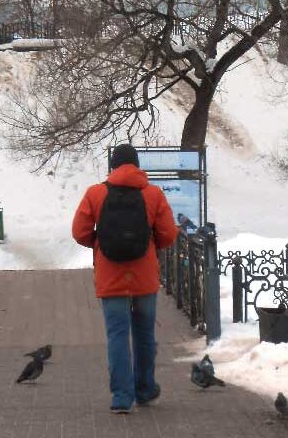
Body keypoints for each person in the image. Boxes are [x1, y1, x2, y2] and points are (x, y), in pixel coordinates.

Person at [72, 143, 178, 414]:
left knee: (117, 336)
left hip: (110, 277)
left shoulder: (95, 193)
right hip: (144, 277)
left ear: (112, 166)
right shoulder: (153, 194)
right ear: (137, 164)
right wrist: (150, 245)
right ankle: (145, 390)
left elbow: (79, 231)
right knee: (145, 335)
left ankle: (121, 397)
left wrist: (99, 243)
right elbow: (168, 233)